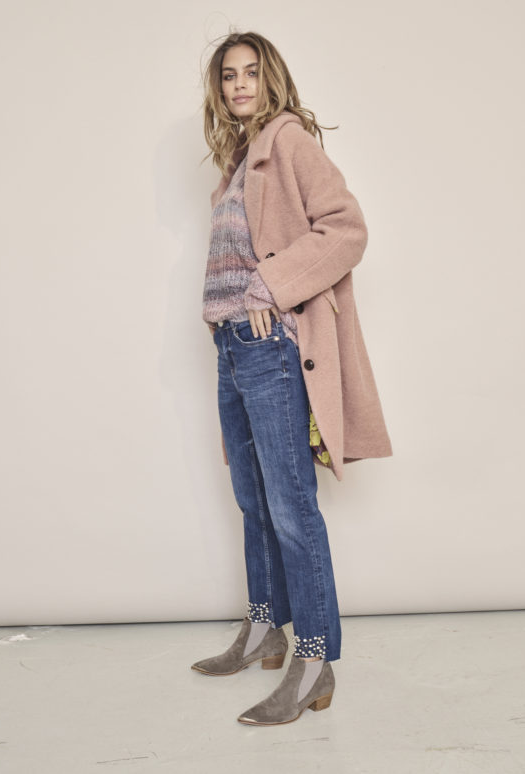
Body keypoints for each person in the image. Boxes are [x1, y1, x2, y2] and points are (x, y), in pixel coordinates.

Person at [191, 30, 393, 726]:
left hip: (270, 348)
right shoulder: (240, 157)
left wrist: (269, 286)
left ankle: (313, 661)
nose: (239, 85)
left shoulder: (289, 141)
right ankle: (264, 630)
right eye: (228, 76)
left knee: (290, 506)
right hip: (231, 346)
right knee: (252, 499)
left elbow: (346, 229)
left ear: (270, 78)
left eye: (251, 72)